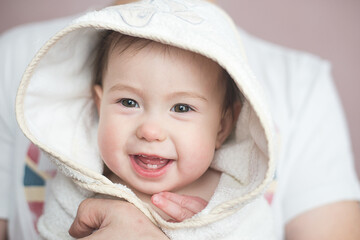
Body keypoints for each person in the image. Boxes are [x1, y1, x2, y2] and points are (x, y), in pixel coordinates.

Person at [1, 0, 359, 239]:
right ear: (97, 106)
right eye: (128, 101)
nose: (151, 130)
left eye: (182, 108)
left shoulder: (236, 209)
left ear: (223, 126)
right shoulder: (73, 190)